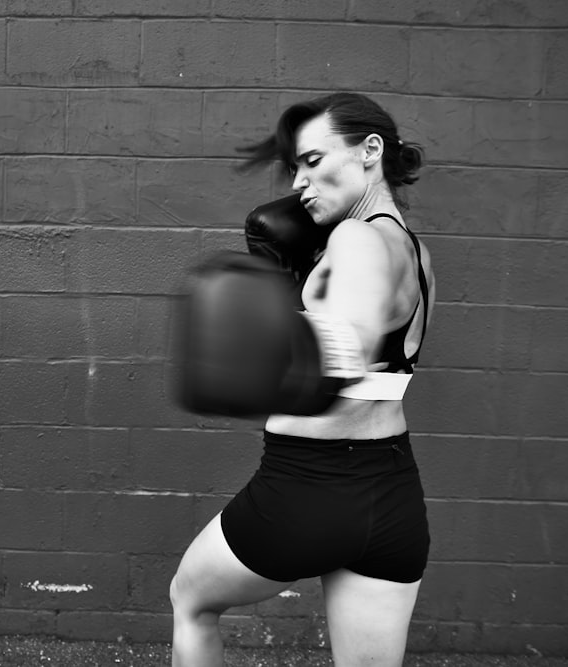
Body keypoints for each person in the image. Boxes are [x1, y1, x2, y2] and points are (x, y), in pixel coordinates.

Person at [169, 92, 436, 667]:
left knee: (189, 601)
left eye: (313, 161)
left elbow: (347, 356)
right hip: (392, 494)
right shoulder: (416, 252)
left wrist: (251, 329)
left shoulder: (355, 239)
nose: (299, 182)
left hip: (306, 486)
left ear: (370, 151)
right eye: (294, 167)